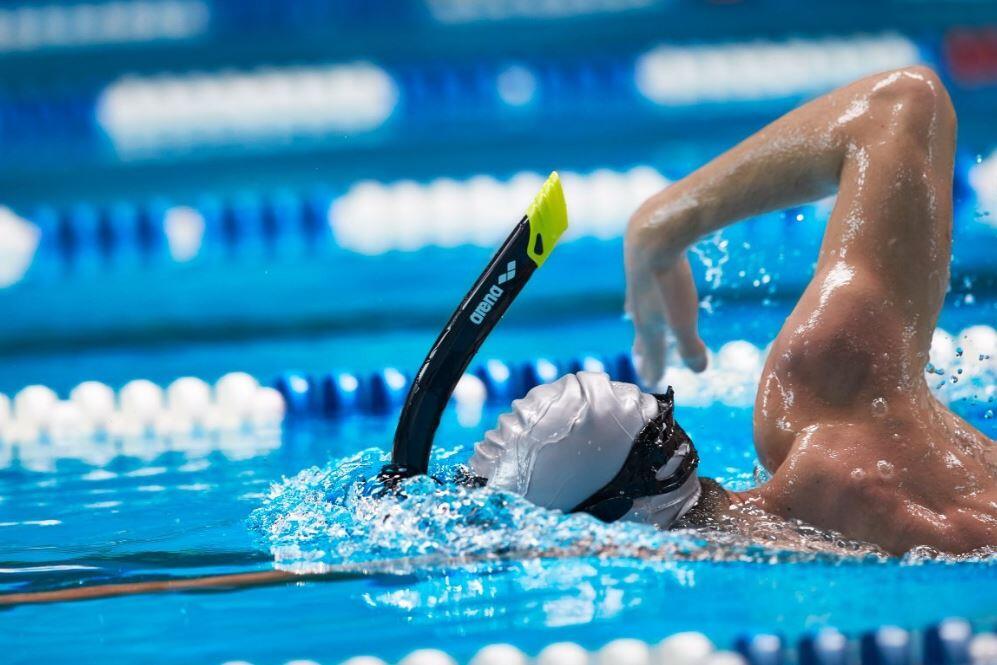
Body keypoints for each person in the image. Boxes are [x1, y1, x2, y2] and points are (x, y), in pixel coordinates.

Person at [471, 66, 996, 556]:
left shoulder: (832, 397)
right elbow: (898, 107)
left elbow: (906, 99)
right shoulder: (817, 404)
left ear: (609, 538)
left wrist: (664, 221)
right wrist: (666, 221)